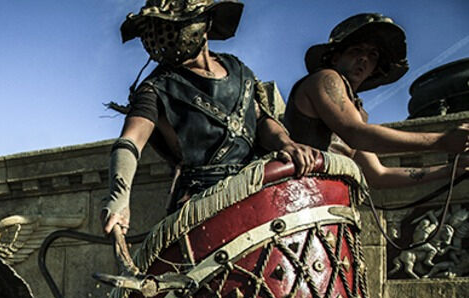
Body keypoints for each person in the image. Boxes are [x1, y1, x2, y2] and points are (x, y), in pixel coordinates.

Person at [101, 0, 318, 236]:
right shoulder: (154, 87)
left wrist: (287, 145)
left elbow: (260, 118)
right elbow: (130, 141)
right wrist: (119, 200)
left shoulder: (238, 69)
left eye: (174, 24)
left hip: (258, 192)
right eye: (157, 26)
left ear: (205, 22)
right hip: (198, 205)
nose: (163, 35)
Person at [284, 13, 469, 188]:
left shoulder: (356, 111)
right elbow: (356, 133)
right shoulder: (326, 78)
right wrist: (441, 141)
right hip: (298, 193)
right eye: (356, 51)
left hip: (328, 200)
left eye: (372, 55)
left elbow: (379, 175)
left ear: (375, 68)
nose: (364, 58)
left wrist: (450, 171)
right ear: (335, 57)